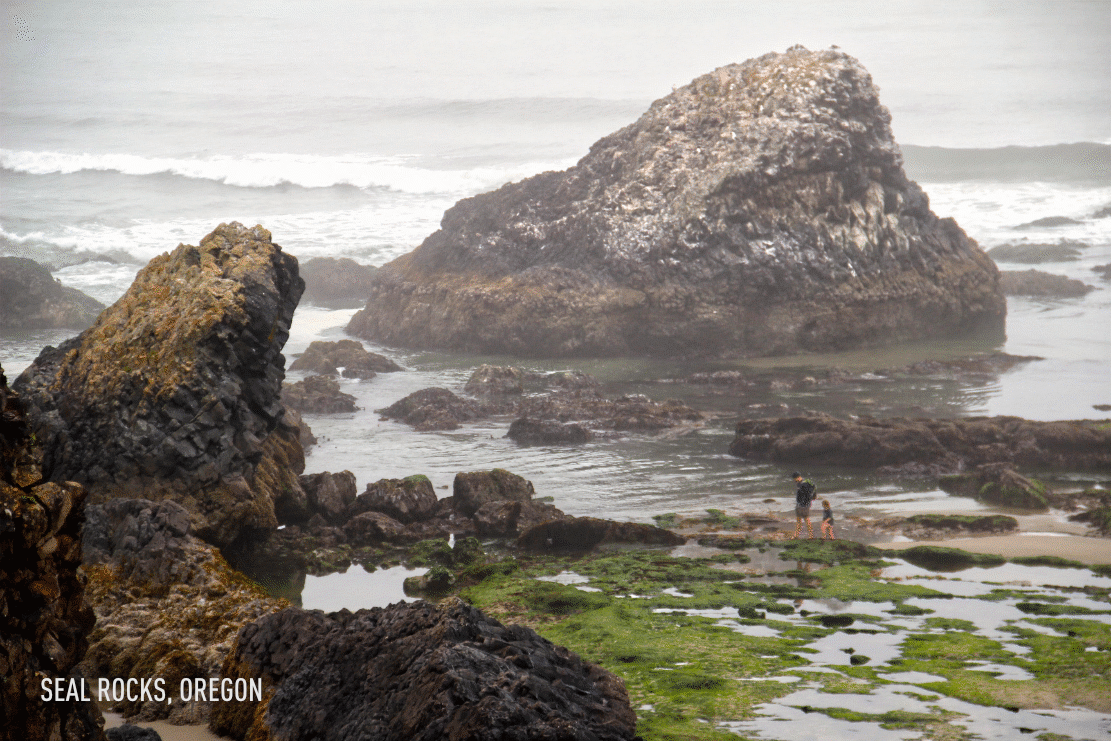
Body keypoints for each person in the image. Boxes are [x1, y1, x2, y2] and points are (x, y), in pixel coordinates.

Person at [791, 471, 815, 539]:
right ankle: (796, 535)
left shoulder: (805, 484)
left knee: (806, 519)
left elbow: (808, 495)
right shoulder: (799, 483)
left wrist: (805, 504)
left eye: (794, 479)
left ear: (798, 477)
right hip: (799, 504)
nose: (794, 480)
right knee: (798, 519)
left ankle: (811, 536)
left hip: (804, 505)